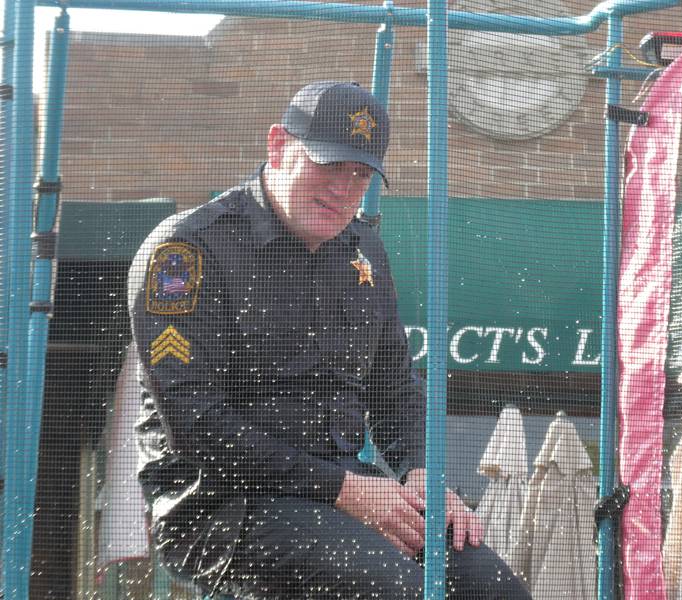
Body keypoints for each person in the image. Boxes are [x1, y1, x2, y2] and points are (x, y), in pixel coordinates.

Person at [128, 80, 531, 599]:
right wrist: (344, 491)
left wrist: (423, 476)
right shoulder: (186, 250)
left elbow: (393, 388)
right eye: (328, 164)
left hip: (343, 493)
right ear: (277, 146)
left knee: (493, 588)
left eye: (360, 174)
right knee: (401, 591)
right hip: (219, 504)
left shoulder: (364, 248)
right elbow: (195, 422)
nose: (343, 189)